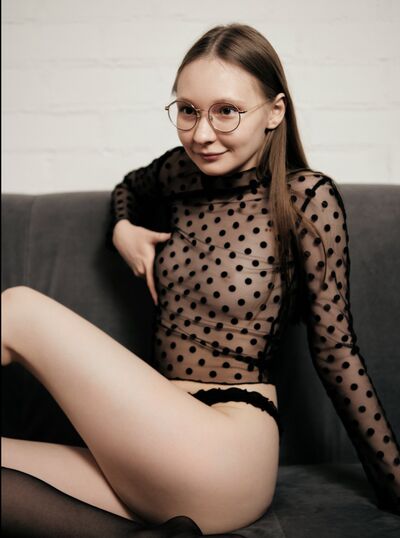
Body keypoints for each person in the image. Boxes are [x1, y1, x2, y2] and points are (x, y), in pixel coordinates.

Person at [1, 22, 399, 537]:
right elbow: (130, 188)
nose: (202, 134)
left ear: (275, 111)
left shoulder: (307, 198)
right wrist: (123, 228)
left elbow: (336, 352)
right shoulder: (178, 175)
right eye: (188, 110)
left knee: (19, 309)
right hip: (151, 447)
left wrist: (394, 482)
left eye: (226, 111)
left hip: (227, 448)